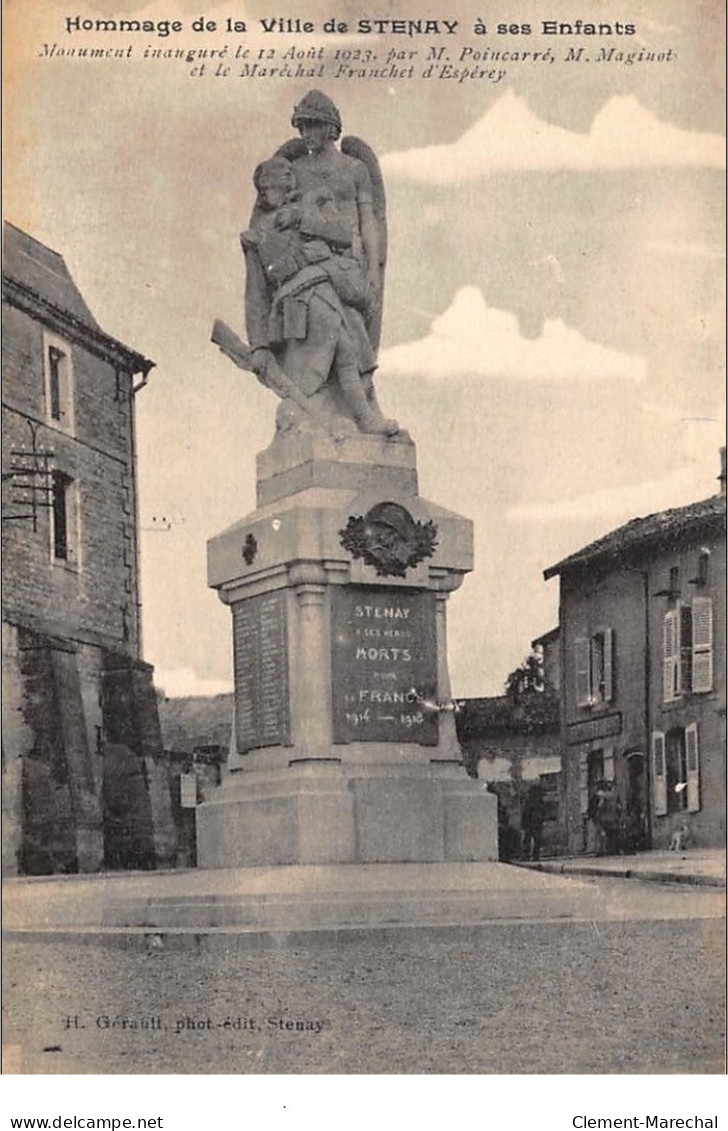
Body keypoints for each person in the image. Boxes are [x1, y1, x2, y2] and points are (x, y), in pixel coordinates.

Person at [241, 156, 398, 436]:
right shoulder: (256, 233)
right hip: (296, 300)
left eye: (291, 171)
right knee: (343, 350)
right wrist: (259, 346)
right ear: (265, 182)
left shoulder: (302, 208)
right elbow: (256, 290)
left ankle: (365, 417)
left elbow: (343, 235)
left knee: (349, 346)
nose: (291, 173)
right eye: (283, 171)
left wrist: (304, 216)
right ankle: (360, 419)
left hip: (326, 285)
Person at [520, 782, 545, 862]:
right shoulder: (535, 802)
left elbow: (525, 812)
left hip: (533, 822)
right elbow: (526, 812)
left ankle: (529, 855)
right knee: (534, 839)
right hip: (532, 822)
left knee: (531, 839)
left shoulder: (531, 801)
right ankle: (532, 855)